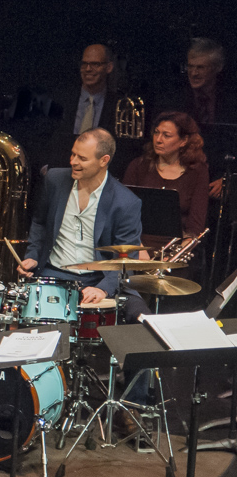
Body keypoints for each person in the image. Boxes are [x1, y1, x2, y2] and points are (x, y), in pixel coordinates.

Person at [17, 128, 150, 322]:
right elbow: (40, 221)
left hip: (99, 277)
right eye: (73, 154)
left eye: (82, 158)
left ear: (104, 160)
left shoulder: (126, 202)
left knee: (141, 317)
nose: (73, 162)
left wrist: (103, 289)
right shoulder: (54, 179)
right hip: (55, 272)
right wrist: (33, 255)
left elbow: (126, 260)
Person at [160, 38, 236, 198]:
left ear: (218, 68)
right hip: (180, 179)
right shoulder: (172, 99)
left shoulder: (232, 100)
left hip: (220, 184)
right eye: (191, 66)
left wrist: (231, 179)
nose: (193, 73)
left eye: (201, 67)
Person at [122, 111, 209, 246]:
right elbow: (123, 215)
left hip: (176, 249)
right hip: (137, 246)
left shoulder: (198, 172)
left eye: (166, 135)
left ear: (184, 141)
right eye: (156, 133)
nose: (158, 139)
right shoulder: (138, 166)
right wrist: (138, 250)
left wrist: (174, 257)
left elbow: (195, 227)